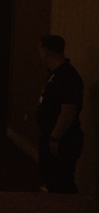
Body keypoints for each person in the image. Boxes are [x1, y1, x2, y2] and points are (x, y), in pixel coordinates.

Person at [37, 34, 84, 194]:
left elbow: (68, 111)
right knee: (50, 179)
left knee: (61, 182)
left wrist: (55, 137)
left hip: (62, 140)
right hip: (51, 136)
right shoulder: (55, 74)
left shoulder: (67, 77)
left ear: (44, 52)